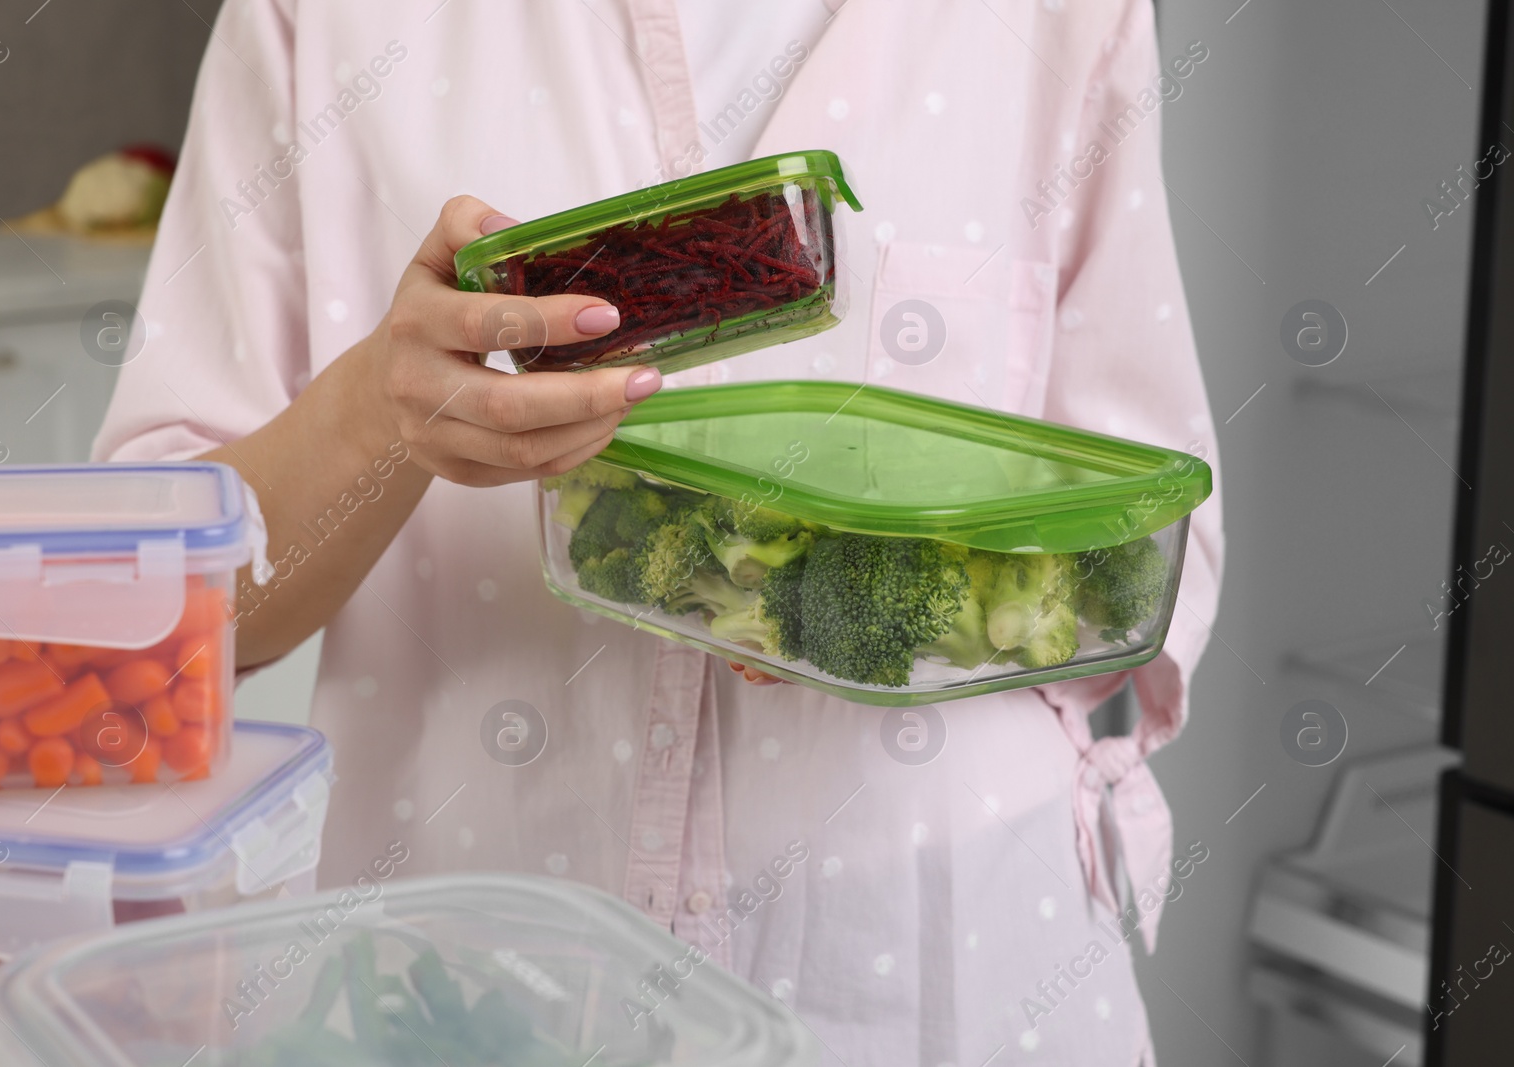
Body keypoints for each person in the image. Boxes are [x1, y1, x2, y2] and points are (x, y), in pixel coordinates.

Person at [94, 1, 1223, 1062]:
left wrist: (892, 600)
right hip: (471, 985)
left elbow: (1156, 543)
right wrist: (373, 416)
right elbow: (148, 631)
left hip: (938, 982)